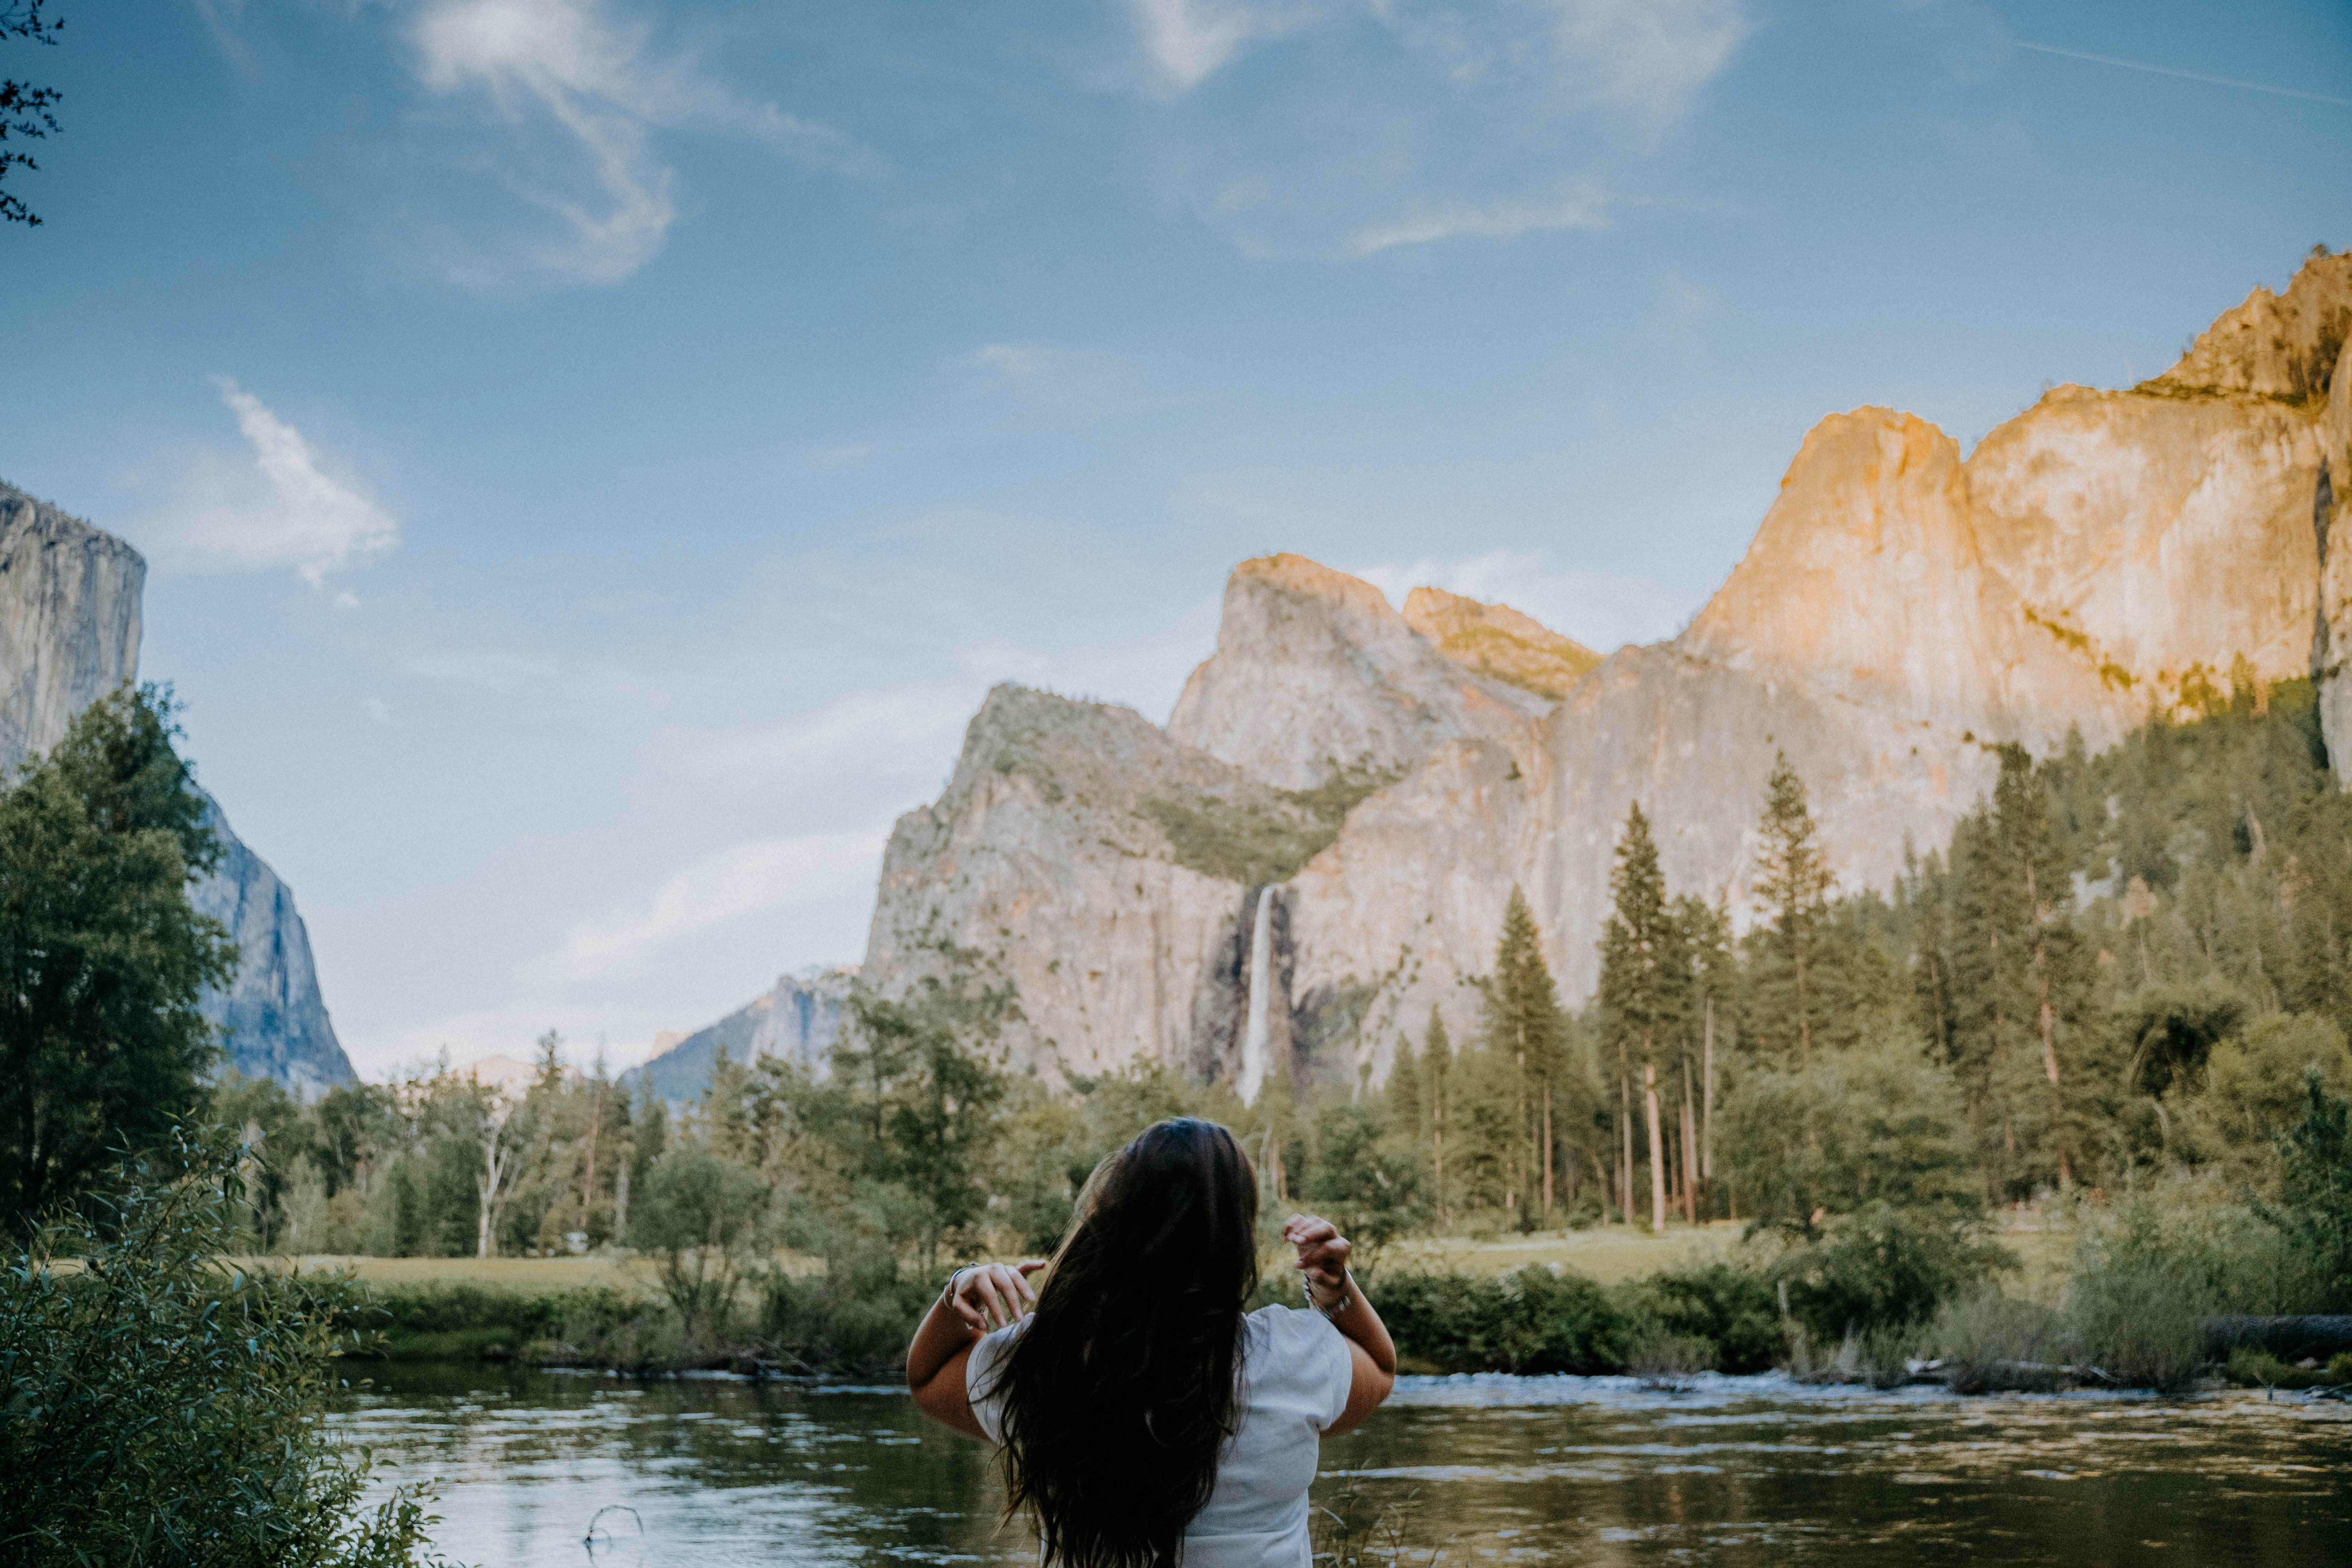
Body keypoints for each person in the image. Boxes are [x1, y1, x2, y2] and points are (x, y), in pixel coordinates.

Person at [905, 1117, 1396, 1568]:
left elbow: (927, 1378)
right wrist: (1334, 1289)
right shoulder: (1296, 1357)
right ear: (1236, 1242)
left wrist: (958, 1290)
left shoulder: (1046, 1363)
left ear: (1113, 1227)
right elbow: (1380, 1365)